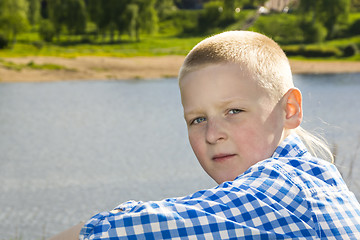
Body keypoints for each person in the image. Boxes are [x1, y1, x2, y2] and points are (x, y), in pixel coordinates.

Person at [52, 30, 360, 239]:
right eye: (197, 119)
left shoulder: (282, 191)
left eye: (233, 111)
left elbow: (125, 231)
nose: (212, 134)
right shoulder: (322, 181)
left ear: (289, 109)